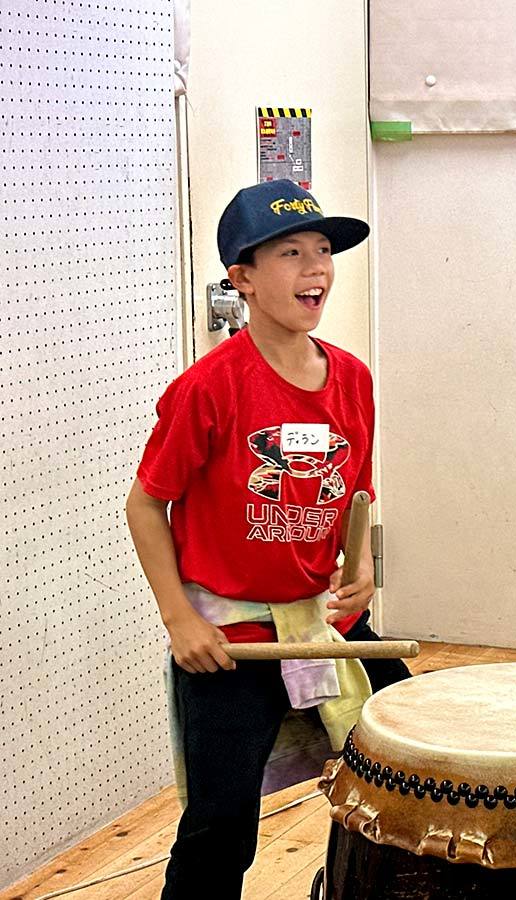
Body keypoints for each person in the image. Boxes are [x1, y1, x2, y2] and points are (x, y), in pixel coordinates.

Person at [124, 179, 410, 899]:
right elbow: (144, 504)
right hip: (233, 634)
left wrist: (362, 562)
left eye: (322, 250)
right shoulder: (208, 387)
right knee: (220, 825)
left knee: (411, 772)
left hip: (325, 622)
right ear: (242, 279)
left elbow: (357, 492)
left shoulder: (351, 377)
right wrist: (179, 617)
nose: (315, 267)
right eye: (290, 252)